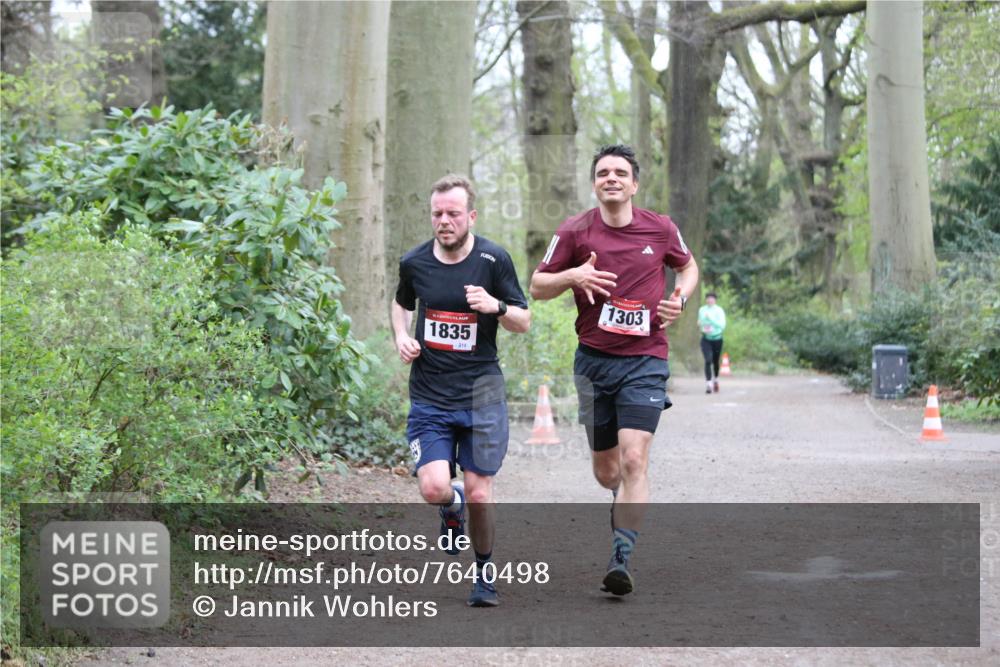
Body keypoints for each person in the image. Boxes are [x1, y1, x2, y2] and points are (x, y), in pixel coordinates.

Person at [529, 144, 699, 596]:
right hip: (594, 361)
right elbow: (537, 285)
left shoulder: (660, 228)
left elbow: (688, 267)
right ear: (594, 183)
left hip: (646, 358)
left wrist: (679, 297)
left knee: (634, 457)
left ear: (634, 184)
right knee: (607, 472)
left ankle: (622, 555)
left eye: (620, 172)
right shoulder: (574, 232)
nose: (611, 178)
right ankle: (621, 496)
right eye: (603, 172)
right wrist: (573, 277)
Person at [391, 174, 530, 608]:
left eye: (453, 213)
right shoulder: (414, 263)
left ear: (470, 215)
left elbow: (523, 320)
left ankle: (484, 574)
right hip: (431, 395)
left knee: (480, 491)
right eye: (437, 214)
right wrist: (401, 336)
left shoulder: (493, 260)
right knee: (434, 488)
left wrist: (497, 306)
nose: (444, 221)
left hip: (481, 396)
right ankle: (450, 509)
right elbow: (401, 304)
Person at [698, 291, 727, 394]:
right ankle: (709, 383)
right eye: (708, 298)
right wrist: (702, 325)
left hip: (717, 339)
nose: (710, 300)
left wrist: (711, 320)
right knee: (708, 360)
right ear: (706, 300)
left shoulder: (719, 310)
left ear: (715, 300)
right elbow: (700, 322)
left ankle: (716, 379)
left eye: (712, 298)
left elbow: (722, 326)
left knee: (715, 361)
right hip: (706, 338)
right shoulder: (702, 309)